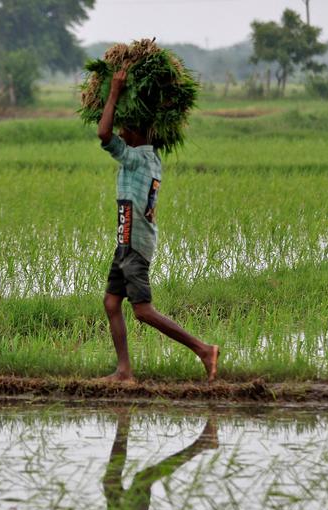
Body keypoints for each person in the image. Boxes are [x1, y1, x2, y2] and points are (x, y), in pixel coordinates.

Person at [97, 67, 219, 383]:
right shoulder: (148, 156)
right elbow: (112, 133)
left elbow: (103, 134)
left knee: (142, 311)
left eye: (126, 128)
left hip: (134, 242)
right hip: (128, 240)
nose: (121, 131)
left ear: (137, 134)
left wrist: (113, 93)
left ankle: (204, 350)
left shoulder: (137, 158)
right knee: (112, 303)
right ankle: (124, 371)